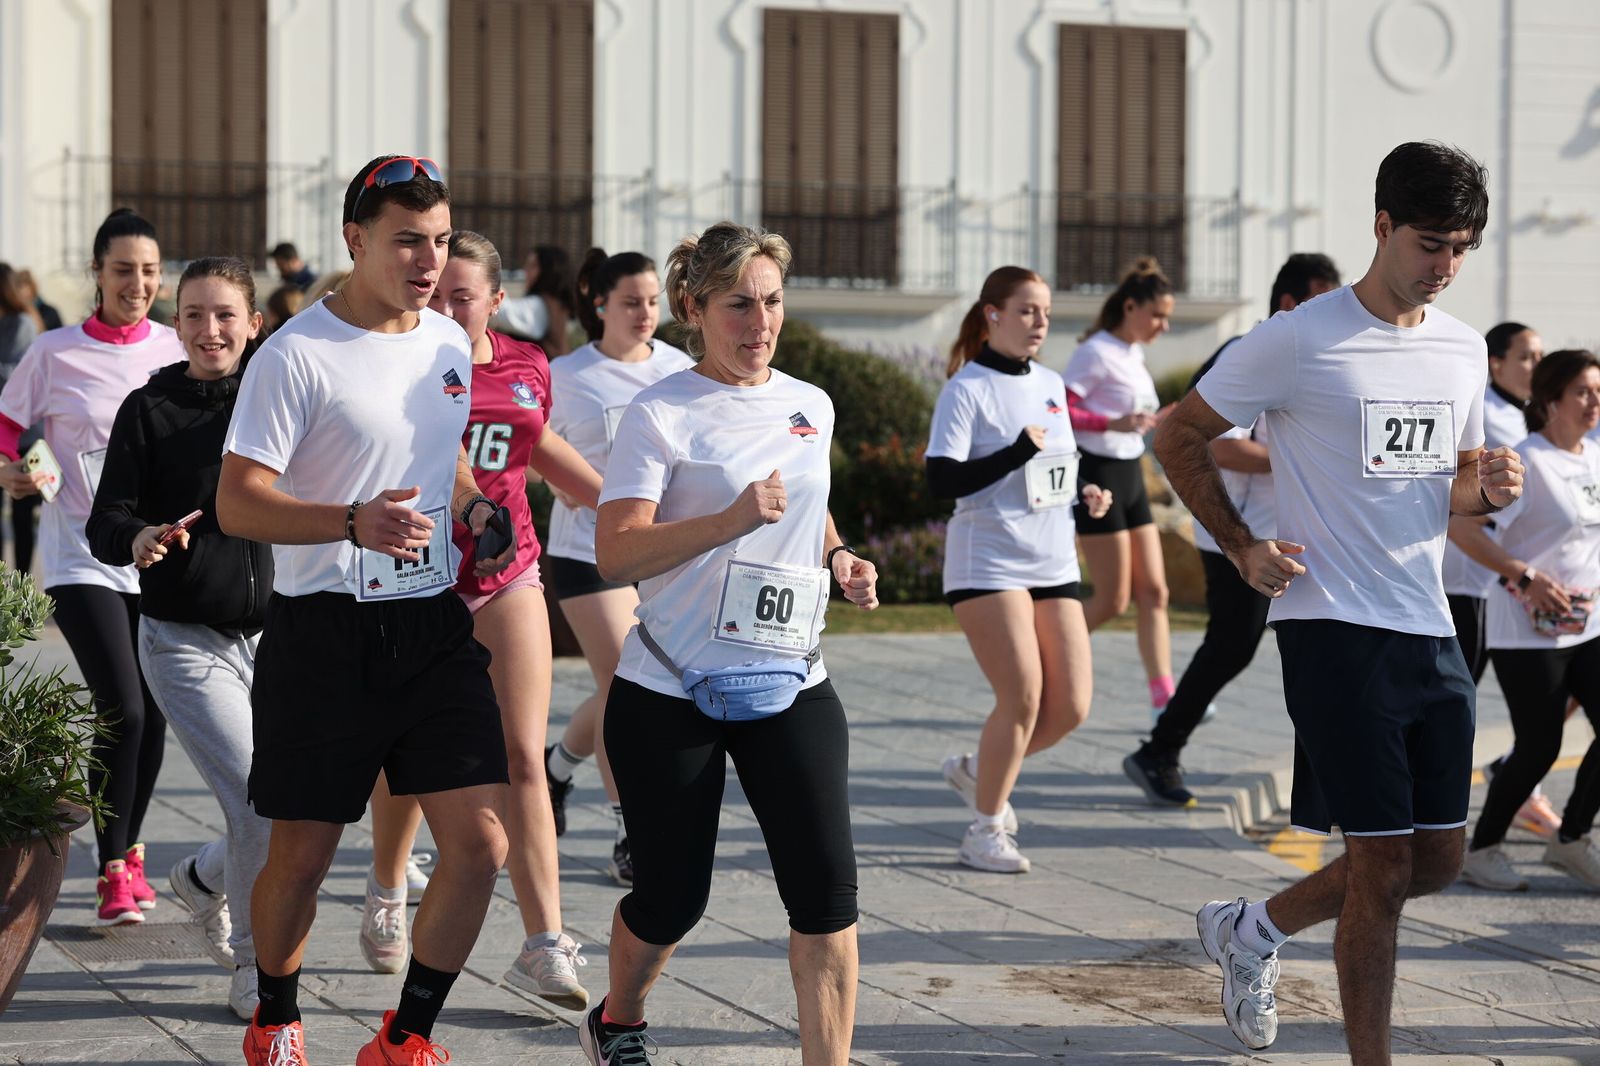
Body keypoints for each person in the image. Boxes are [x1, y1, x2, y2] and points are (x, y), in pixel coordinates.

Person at [1154, 141, 1521, 1063]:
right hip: (1331, 628)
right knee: (1386, 867)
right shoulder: (1298, 338)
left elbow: (1448, 485)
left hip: (1428, 623)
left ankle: (1252, 929)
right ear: (1383, 227)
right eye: (1430, 244)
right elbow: (1177, 434)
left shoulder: (1460, 347)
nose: (1444, 266)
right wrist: (1240, 546)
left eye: (1462, 249)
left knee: (1435, 859)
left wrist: (1492, 488)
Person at [218, 155, 516, 1066]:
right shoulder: (295, 355)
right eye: (407, 243)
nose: (429, 263)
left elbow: (438, 454)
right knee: (301, 860)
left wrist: (470, 507)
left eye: (438, 242)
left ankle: (406, 1036)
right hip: (323, 631)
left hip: (428, 623)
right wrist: (351, 521)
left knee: (480, 846)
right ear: (355, 240)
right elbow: (238, 502)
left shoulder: (444, 343)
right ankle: (275, 1014)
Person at [580, 221, 878, 1065]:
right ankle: (620, 1018)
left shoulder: (807, 403)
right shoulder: (661, 411)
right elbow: (615, 551)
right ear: (694, 309)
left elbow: (805, 506)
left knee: (827, 897)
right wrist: (728, 521)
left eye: (773, 301)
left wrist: (841, 556)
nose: (760, 322)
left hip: (791, 679)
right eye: (739, 304)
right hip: (672, 690)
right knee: (673, 898)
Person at [85, 256, 271, 1018]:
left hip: (281, 640)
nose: (210, 329)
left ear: (254, 324)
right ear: (175, 324)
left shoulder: (275, 398)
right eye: (194, 314)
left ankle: (200, 879)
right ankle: (259, 971)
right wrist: (138, 538)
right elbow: (104, 520)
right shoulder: (148, 408)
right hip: (182, 640)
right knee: (262, 803)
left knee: (300, 802)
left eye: (226, 314)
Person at [425, 228, 602, 1007]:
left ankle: (544, 943)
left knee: (523, 755)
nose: (443, 305)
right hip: (417, 582)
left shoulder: (529, 367)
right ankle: (387, 885)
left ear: (497, 301)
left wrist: (632, 509)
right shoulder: (404, 365)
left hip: (508, 573)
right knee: (391, 762)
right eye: (434, 292)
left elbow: (539, 453)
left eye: (460, 295)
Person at [0, 208, 182, 924]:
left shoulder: (174, 348)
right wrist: (29, 475)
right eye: (122, 270)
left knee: (157, 713)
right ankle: (111, 868)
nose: (136, 282)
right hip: (80, 555)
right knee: (123, 707)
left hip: (158, 556)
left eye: (147, 270)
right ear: (97, 275)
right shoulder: (55, 350)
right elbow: (11, 425)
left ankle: (130, 853)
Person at [1123, 253, 1341, 807]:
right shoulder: (1252, 352)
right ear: (1290, 302)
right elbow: (1216, 444)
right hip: (1238, 535)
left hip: (1292, 538)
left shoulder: (1317, 356)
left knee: (1314, 655)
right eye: (1322, 296)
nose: (1336, 309)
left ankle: (1326, 783)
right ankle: (1158, 751)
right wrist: (1296, 459)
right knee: (1232, 647)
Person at [924, 265, 1110, 873]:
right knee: (1023, 696)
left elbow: (1056, 466)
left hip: (1052, 555)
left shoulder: (1052, 382)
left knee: (1072, 706)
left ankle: (981, 770)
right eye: (1027, 310)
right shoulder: (967, 389)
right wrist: (1014, 453)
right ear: (993, 314)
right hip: (988, 560)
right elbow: (940, 480)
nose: (1039, 323)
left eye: (1046, 313)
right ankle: (984, 829)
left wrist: (1086, 493)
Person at [543, 246, 694, 885]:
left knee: (626, 684)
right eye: (632, 302)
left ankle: (556, 768)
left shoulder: (680, 369)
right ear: (599, 303)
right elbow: (527, 447)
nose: (645, 313)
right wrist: (566, 483)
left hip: (660, 553)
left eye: (653, 301)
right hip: (587, 554)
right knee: (625, 688)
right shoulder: (566, 374)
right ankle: (630, 827)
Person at [1451, 349, 1600, 892]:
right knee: (1540, 746)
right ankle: (1484, 848)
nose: (1595, 402)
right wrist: (1524, 577)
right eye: (1583, 391)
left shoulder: (1595, 456)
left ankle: (1571, 838)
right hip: (1526, 630)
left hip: (1589, 626)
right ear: (1552, 399)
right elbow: (1462, 530)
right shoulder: (1526, 461)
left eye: (1598, 391)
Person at [1447, 322, 1568, 839]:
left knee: (1553, 693)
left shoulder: (1523, 414)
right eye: (1526, 356)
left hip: (1509, 588)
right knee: (1451, 697)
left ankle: (1512, 777)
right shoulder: (1496, 421)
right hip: (1471, 582)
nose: (1536, 366)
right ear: (1495, 363)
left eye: (1541, 356)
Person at [1063, 258, 1176, 718]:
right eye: (1157, 315)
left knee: (1155, 592)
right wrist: (1111, 421)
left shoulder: (1132, 353)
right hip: (1099, 476)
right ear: (1130, 306)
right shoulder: (1096, 352)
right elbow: (1061, 410)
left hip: (1130, 474)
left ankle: (1164, 697)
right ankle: (1047, 655)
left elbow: (1132, 419)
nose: (1163, 326)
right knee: (1112, 599)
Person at [0, 264, 41, 573]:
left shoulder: (22, 323)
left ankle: (23, 586)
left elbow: (18, 379)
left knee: (23, 515)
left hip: (25, 436)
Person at [495, 245, 575, 355]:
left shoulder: (540, 305)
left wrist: (488, 279)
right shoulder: (556, 304)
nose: (525, 270)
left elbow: (502, 312)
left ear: (548, 270)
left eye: (532, 266)